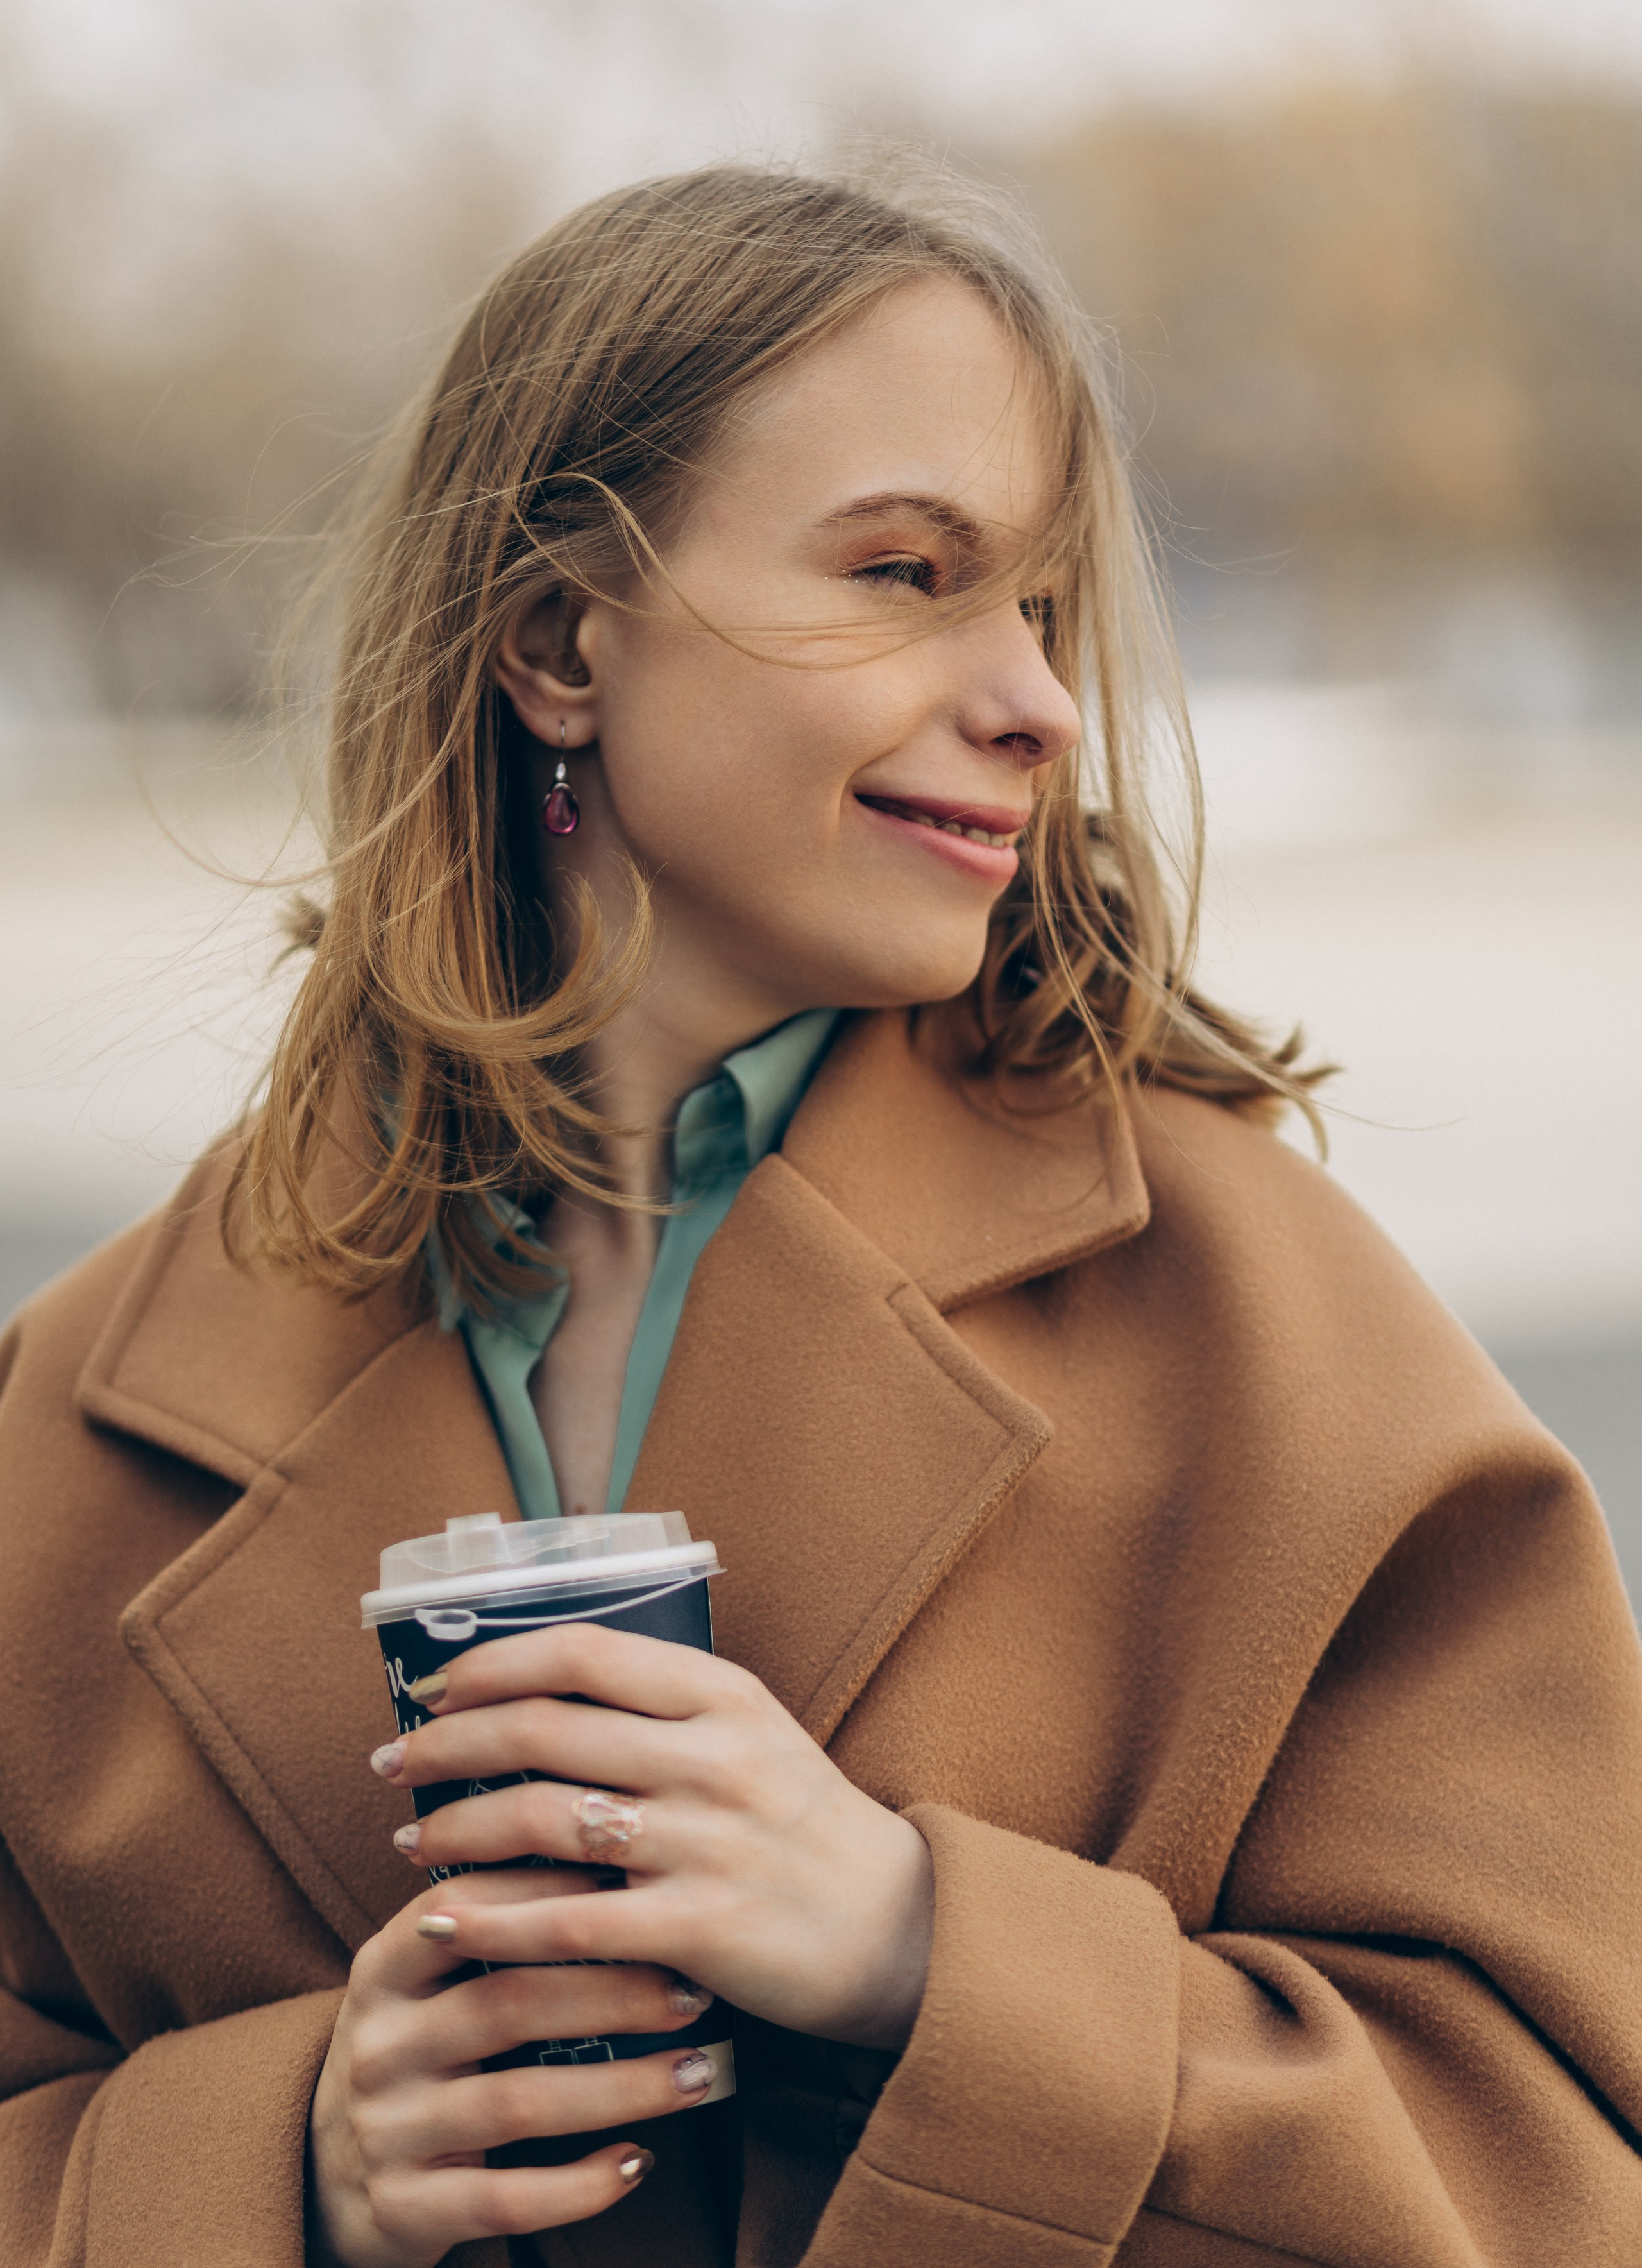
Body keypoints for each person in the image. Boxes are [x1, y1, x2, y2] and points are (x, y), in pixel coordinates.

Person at [1, 164, 1639, 2268]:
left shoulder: (1276, 1335)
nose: (1041, 700)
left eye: (1041, 607)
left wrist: (918, 1954)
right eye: (902, 573)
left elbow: (1552, 2164)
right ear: (553, 641)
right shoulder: (81, 1413)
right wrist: (281, 2172)